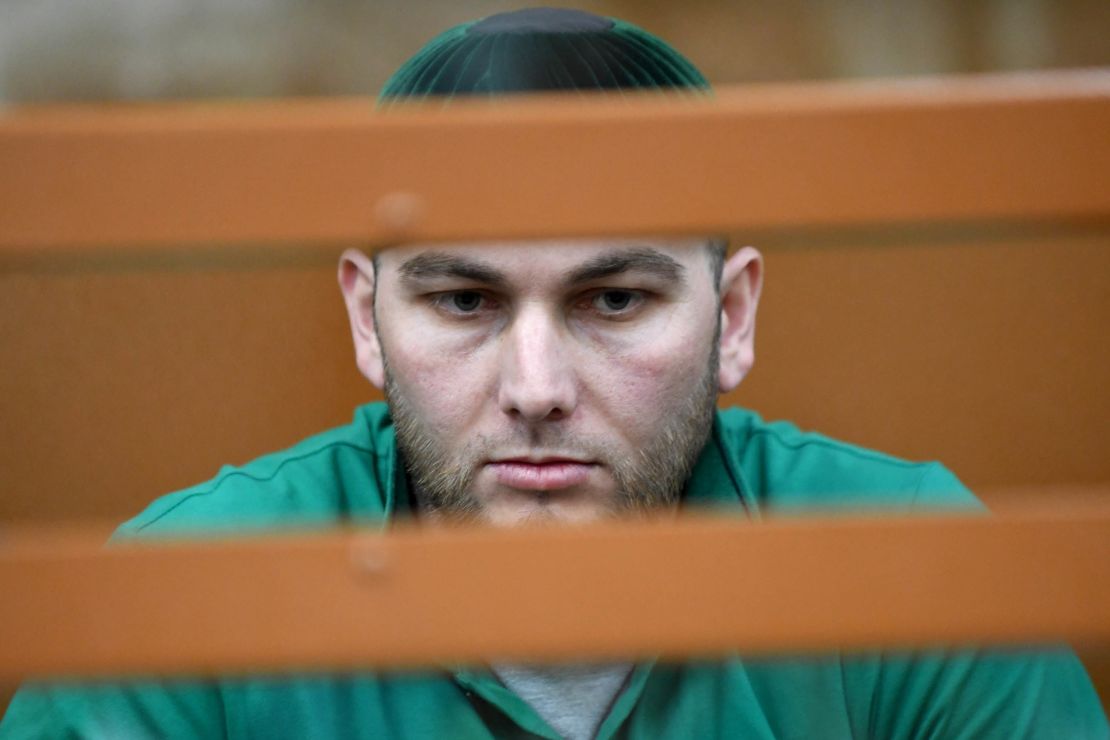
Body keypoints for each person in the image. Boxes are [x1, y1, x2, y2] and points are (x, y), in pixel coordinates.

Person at [2, 8, 1106, 739]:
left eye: (613, 299)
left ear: (733, 316)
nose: (536, 385)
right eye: (465, 301)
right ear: (365, 317)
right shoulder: (190, 600)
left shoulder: (909, 578)